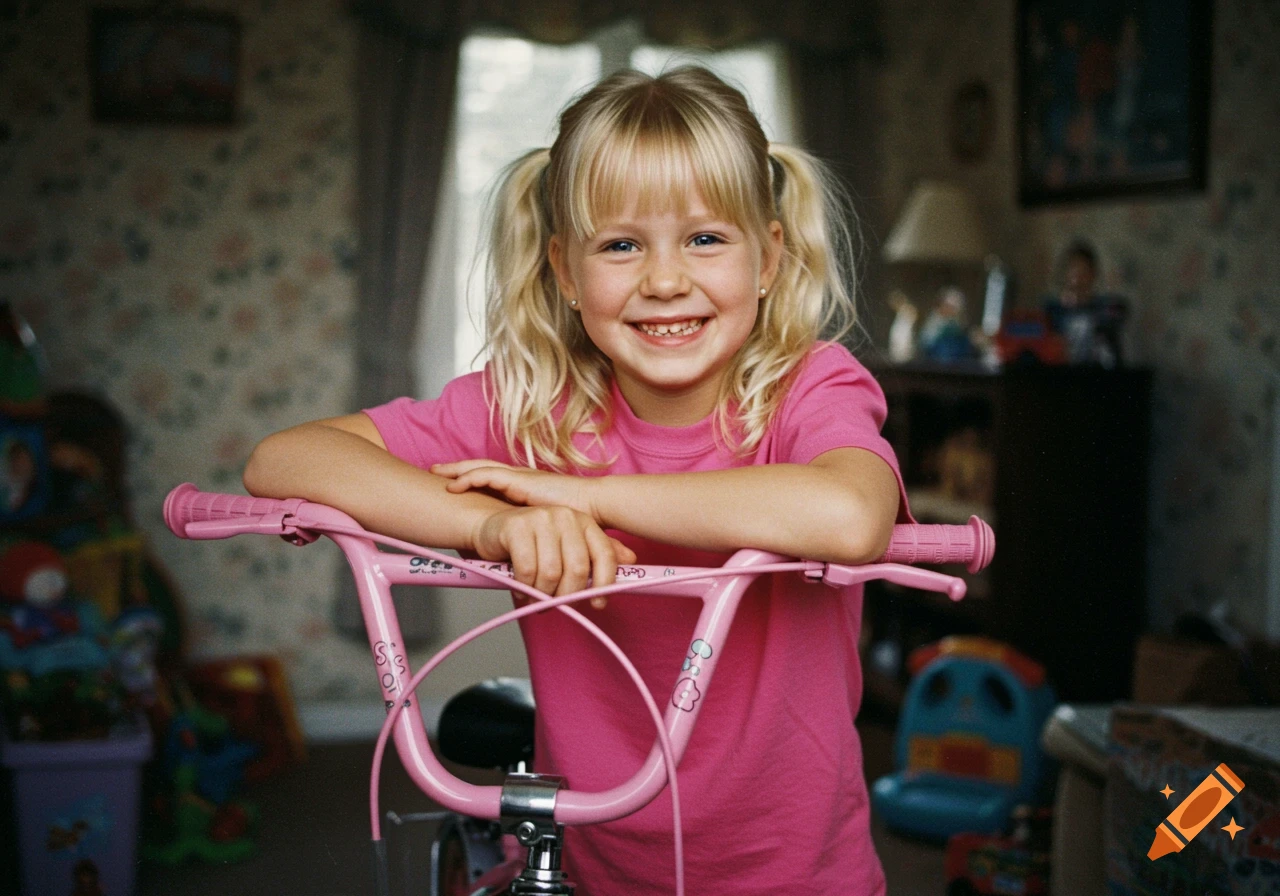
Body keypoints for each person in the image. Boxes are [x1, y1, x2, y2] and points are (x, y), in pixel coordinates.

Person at [244, 66, 907, 895]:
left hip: (802, 874)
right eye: (620, 245)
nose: (665, 280)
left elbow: (849, 515)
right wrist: (494, 523)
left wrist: (576, 495)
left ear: (770, 256)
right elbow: (284, 459)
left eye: (706, 239)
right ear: (563, 268)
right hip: (598, 864)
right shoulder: (536, 411)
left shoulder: (809, 388)